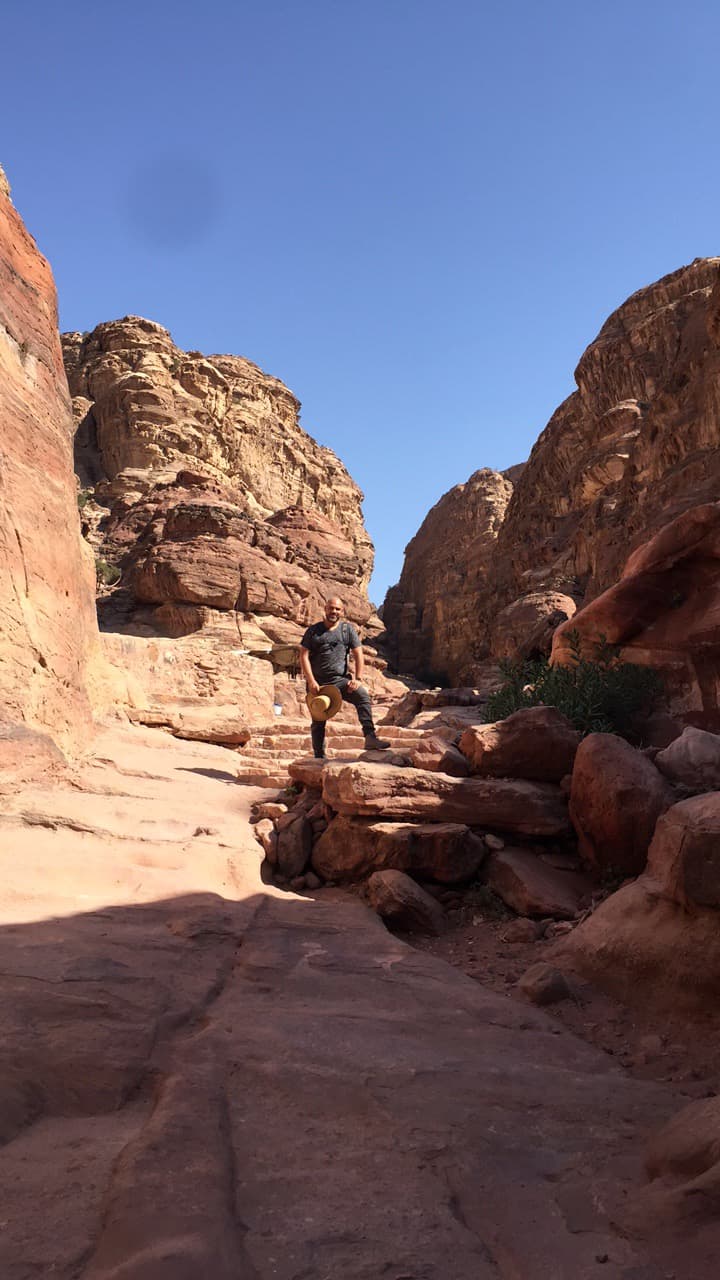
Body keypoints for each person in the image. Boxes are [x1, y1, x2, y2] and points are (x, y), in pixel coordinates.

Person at [299, 596, 391, 759]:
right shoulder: (313, 631)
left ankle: (370, 737)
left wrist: (358, 678)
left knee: (361, 695)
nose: (333, 611)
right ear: (325, 609)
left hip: (340, 681)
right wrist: (311, 681)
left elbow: (358, 653)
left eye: (337, 609)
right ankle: (319, 755)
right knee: (318, 719)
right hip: (318, 683)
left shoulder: (347, 630)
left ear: (342, 611)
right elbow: (303, 655)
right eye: (331, 608)